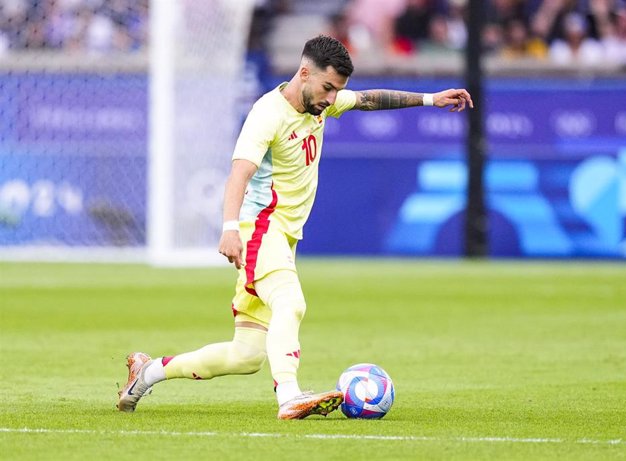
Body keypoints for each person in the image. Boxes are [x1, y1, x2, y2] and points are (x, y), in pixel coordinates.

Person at [117, 35, 473, 420]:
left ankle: (147, 372)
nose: (332, 97)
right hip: (259, 229)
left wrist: (429, 99)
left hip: (282, 238)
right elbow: (239, 173)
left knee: (247, 355)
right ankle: (289, 396)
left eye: (337, 90)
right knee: (291, 302)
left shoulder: (320, 103)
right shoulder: (267, 114)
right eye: (328, 88)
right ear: (304, 73)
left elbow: (369, 99)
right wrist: (230, 228)